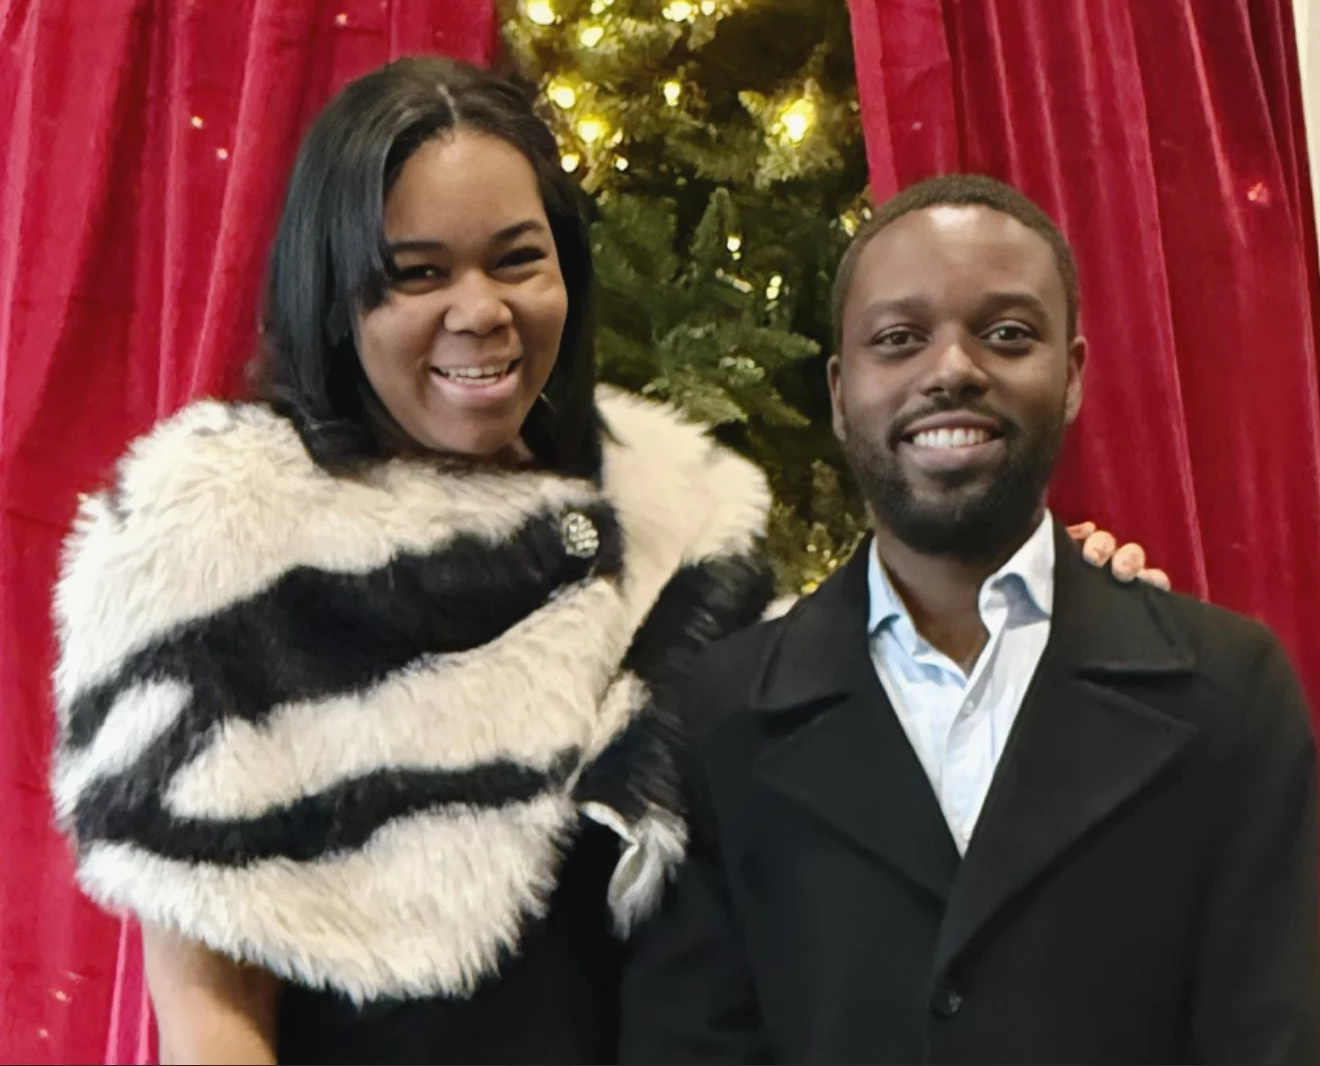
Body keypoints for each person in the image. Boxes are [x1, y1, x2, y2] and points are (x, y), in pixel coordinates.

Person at [49, 66, 1156, 1066]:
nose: (479, 311)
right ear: (336, 295)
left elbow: (840, 747)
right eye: (415, 273)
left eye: (516, 258)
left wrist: (1053, 611)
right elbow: (210, 1015)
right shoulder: (219, 553)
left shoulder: (674, 512)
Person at [619, 174, 1320, 1065]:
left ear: (1071, 376)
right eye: (899, 339)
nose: (951, 369)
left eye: (1007, 334)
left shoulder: (1227, 689)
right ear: (840, 391)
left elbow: (1270, 1035)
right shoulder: (725, 710)